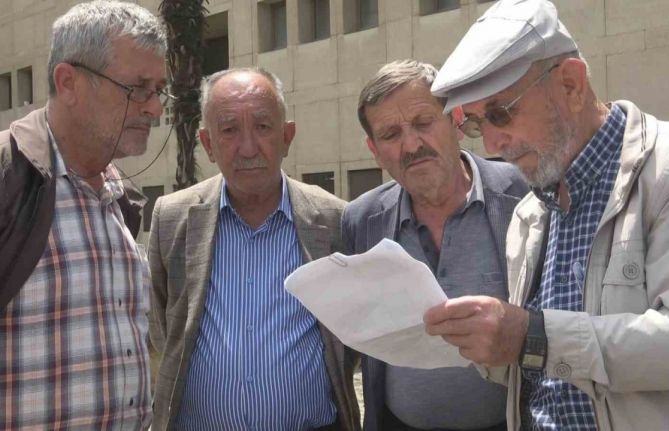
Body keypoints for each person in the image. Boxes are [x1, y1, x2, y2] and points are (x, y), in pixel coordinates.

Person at [424, 0, 669, 430]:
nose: (493, 144)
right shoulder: (529, 213)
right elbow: (540, 371)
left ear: (571, 84)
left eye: (501, 113)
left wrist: (531, 335)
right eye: (477, 124)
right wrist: (485, 341)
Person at [148, 67, 360, 430]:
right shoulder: (172, 219)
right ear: (208, 144)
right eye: (229, 130)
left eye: (263, 127)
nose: (248, 148)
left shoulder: (335, 220)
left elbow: (351, 336)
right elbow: (161, 331)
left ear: (287, 137)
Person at [0, 1, 167, 429]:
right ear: (69, 83)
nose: (154, 108)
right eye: (137, 88)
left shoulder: (122, 200)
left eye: (158, 90)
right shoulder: (8, 178)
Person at [343, 59, 528, 431]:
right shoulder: (361, 220)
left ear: (456, 118)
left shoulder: (524, 195)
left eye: (424, 123)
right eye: (391, 134)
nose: (412, 145)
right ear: (374, 149)